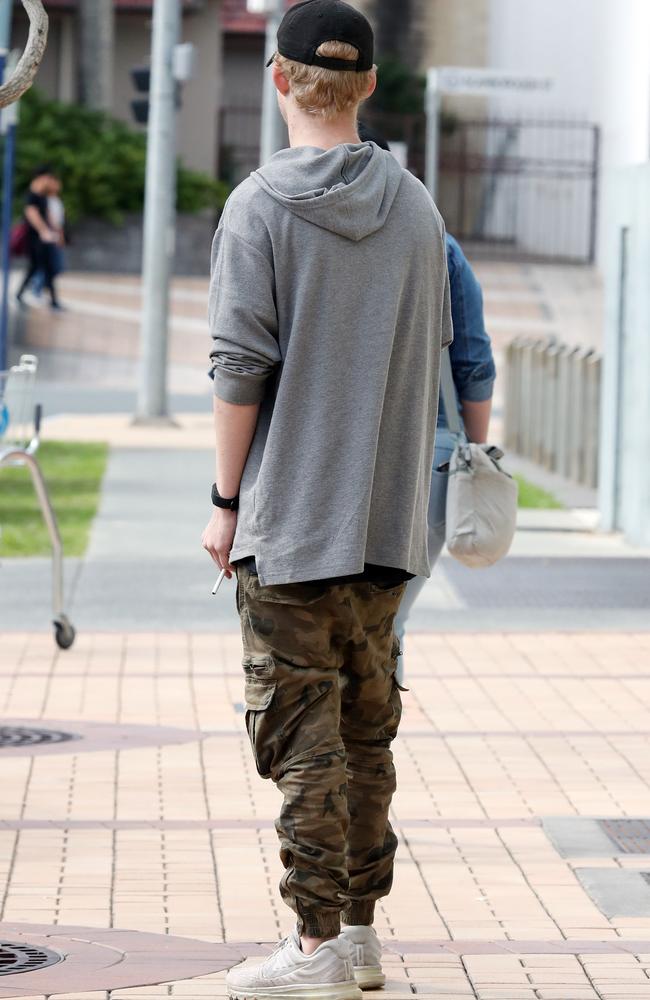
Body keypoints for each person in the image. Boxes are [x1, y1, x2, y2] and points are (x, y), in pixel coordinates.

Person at [202, 2, 452, 998]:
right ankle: (355, 935)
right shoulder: (417, 208)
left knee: (300, 739)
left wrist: (225, 498)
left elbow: (237, 367)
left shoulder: (257, 207)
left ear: (278, 80)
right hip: (387, 525)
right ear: (370, 87)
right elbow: (428, 351)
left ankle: (311, 951)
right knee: (364, 735)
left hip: (292, 523)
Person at [357, 124, 497, 682]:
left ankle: (325, 751)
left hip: (332, 449)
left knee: (324, 619)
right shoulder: (437, 241)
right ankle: (366, 747)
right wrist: (475, 450)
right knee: (389, 623)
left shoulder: (305, 228)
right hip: (432, 449)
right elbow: (473, 362)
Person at [16, 165, 62, 311]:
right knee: (43, 266)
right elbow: (31, 213)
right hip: (36, 238)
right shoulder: (33, 194)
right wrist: (44, 231)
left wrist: (56, 230)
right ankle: (52, 301)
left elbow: (48, 214)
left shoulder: (42, 195)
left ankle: (22, 295)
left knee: (39, 267)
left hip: (43, 237)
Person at [32, 176, 66, 298]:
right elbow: (49, 219)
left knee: (54, 267)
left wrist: (60, 235)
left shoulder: (56, 200)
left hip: (54, 236)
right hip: (48, 237)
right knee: (51, 266)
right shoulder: (45, 200)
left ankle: (40, 287)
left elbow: (59, 220)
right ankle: (37, 287)